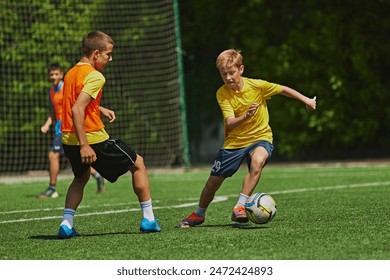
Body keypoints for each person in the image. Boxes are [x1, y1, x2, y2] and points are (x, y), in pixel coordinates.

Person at [178, 49, 317, 228]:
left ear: (241, 69)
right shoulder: (222, 93)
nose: (228, 78)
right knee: (213, 182)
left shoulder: (257, 86)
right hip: (235, 142)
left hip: (261, 137)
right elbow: (230, 123)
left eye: (231, 72)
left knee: (258, 161)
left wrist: (307, 100)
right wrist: (246, 116)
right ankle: (199, 214)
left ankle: (240, 206)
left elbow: (283, 89)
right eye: (223, 74)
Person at [57, 31, 160, 238]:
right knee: (138, 163)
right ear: (96, 54)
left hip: (68, 138)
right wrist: (85, 145)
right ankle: (149, 219)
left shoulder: (70, 73)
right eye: (108, 55)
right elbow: (78, 109)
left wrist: (99, 108)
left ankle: (66, 224)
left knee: (81, 176)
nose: (110, 59)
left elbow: (77, 102)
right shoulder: (96, 76)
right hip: (92, 139)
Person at [36, 63, 105, 199]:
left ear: (61, 75)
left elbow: (82, 102)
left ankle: (52, 188)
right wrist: (46, 124)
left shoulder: (66, 87)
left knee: (53, 154)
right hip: (59, 128)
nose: (53, 77)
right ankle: (98, 175)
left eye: (56, 74)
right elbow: (53, 113)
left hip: (69, 126)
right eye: (51, 74)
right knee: (74, 159)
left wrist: (101, 110)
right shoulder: (51, 91)